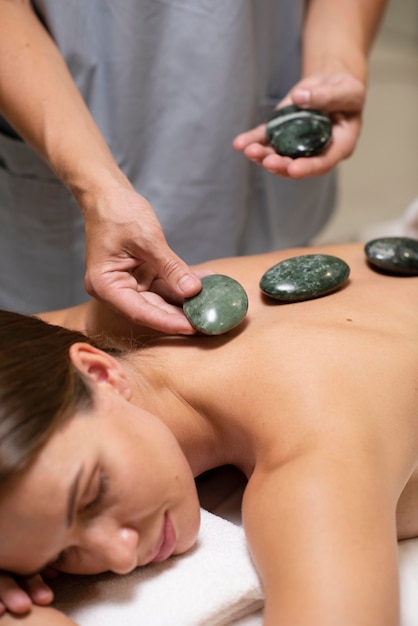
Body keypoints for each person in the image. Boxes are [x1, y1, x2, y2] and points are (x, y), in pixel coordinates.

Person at [1, 240, 418, 626]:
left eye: (95, 494)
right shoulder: (104, 321)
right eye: (59, 557)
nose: (122, 555)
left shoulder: (314, 445)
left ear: (99, 374)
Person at [0, 1, 387, 332]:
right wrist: (96, 189)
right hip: (64, 109)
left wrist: (335, 63)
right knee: (63, 356)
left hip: (263, 80)